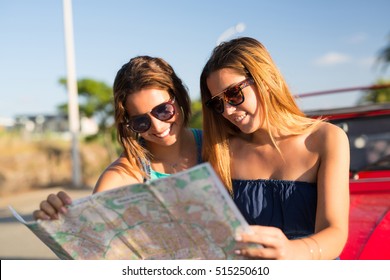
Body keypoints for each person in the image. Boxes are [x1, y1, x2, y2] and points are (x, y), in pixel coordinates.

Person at [200, 37, 350, 260]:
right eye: (218, 103)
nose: (228, 111)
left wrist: (291, 252)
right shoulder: (223, 151)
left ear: (265, 80)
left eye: (233, 94)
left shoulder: (326, 138)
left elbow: (335, 232)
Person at [33, 55, 202, 220]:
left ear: (178, 96)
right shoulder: (118, 179)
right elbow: (95, 243)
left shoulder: (222, 147)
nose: (157, 126)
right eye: (141, 121)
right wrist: (60, 224)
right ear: (128, 123)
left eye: (163, 110)